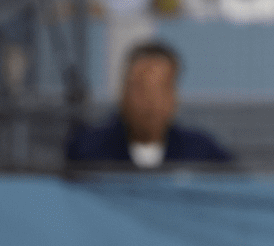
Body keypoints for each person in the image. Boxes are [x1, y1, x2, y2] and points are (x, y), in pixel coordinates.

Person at [66, 41, 231, 168]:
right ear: (123, 93)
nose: (150, 101)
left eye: (160, 89)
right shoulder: (86, 153)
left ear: (174, 96)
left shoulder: (204, 155)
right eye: (140, 88)